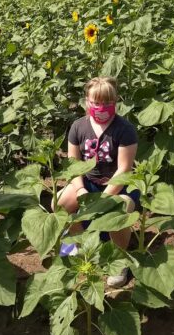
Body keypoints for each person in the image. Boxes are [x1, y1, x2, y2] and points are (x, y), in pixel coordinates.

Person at [56, 76, 139, 288]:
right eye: (96, 102)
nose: (101, 107)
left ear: (115, 102)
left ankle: (118, 261)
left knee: (116, 211)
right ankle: (79, 248)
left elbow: (124, 169)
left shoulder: (124, 129)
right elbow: (73, 165)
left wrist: (103, 199)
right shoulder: (78, 127)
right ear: (87, 101)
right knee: (60, 204)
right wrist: (82, 190)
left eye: (107, 102)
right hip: (88, 183)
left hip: (119, 185)